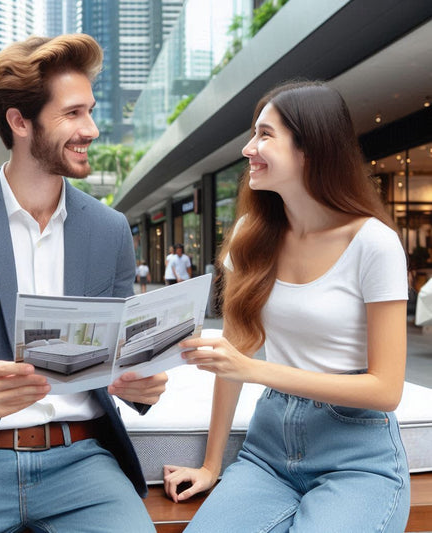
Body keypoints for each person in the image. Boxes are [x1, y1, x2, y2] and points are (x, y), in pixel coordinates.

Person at [0, 34, 168, 533]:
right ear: (20, 122)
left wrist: (141, 385)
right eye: (72, 114)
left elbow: (123, 352)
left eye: (89, 110)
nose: (91, 128)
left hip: (84, 461)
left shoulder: (110, 229)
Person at [163, 81, 410, 532]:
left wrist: (253, 369)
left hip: (357, 458)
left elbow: (386, 389)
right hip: (268, 453)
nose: (247, 148)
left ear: (309, 148)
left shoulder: (374, 243)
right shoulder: (249, 235)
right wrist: (211, 465)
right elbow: (233, 355)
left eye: (264, 135)